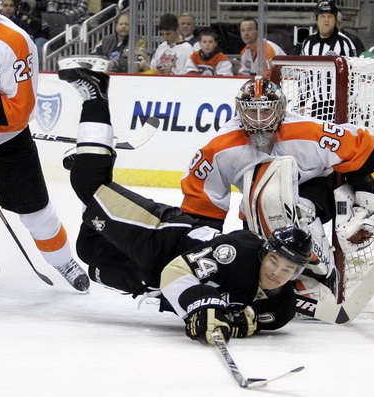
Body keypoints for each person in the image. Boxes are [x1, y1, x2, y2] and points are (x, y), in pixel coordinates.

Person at [56, 60, 313, 345]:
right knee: (89, 186)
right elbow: (177, 272)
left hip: (149, 280)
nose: (277, 272)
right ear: (265, 252)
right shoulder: (238, 252)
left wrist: (230, 322)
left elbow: (245, 320)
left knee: (89, 251)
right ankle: (96, 96)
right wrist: (201, 305)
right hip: (161, 237)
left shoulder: (281, 309)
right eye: (275, 261)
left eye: (288, 270)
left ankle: (93, 177)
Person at [180, 76, 374, 303]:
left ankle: (321, 277)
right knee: (257, 227)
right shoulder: (220, 148)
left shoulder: (308, 132)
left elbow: (366, 147)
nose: (258, 121)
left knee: (297, 208)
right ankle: (272, 281)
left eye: (265, 111)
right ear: (239, 111)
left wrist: (366, 201)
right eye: (251, 112)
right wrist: (200, 254)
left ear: (280, 110)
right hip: (256, 203)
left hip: (317, 191)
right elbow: (202, 205)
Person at [0, 0, 89, 291]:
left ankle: (62, 260)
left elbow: (19, 112)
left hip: (7, 140)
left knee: (34, 210)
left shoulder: (13, 41)